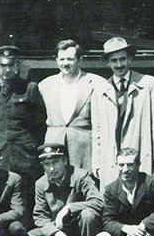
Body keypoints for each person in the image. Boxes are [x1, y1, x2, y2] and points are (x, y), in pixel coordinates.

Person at [91, 37, 154, 187]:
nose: (119, 65)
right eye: (114, 61)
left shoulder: (147, 84)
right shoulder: (100, 90)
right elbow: (97, 130)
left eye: (122, 59)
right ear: (108, 62)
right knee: (113, 198)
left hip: (139, 149)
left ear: (130, 59)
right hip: (111, 154)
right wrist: (97, 161)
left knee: (141, 196)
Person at [27, 143, 103, 236]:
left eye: (55, 162)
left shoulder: (80, 176)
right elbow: (39, 216)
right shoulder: (41, 183)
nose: (51, 168)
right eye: (46, 164)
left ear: (65, 161)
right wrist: (55, 233)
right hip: (59, 232)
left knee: (88, 215)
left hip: (80, 230)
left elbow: (98, 202)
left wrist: (70, 208)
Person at [0, 45, 47, 183]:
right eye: (3, 65)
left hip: (24, 155)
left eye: (11, 65)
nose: (8, 69)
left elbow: (40, 123)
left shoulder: (30, 88)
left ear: (18, 65)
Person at [38, 39, 107, 172]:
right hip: (54, 147)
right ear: (56, 60)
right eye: (62, 59)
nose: (65, 63)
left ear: (79, 60)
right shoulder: (45, 85)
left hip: (84, 149)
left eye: (70, 59)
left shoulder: (96, 83)